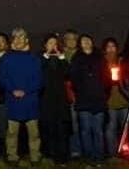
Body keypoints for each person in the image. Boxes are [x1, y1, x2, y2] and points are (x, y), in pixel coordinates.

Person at [0, 27, 42, 166]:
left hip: (30, 100)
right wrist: (12, 90)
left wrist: (26, 91)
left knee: (33, 133)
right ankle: (12, 157)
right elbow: (2, 78)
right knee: (12, 133)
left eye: (21, 37)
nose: (18, 40)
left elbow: (39, 80)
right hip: (13, 100)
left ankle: (35, 157)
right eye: (15, 38)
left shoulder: (34, 59)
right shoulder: (7, 58)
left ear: (26, 40)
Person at [69, 34, 108, 162]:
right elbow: (73, 78)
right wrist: (80, 90)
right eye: (83, 41)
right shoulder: (76, 58)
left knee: (98, 130)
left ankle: (99, 157)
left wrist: (104, 92)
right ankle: (88, 157)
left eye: (88, 40)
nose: (86, 42)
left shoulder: (100, 57)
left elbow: (107, 77)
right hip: (83, 99)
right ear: (80, 44)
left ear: (92, 42)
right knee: (85, 130)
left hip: (99, 98)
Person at [40, 33, 71, 166]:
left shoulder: (61, 59)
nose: (53, 45)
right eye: (50, 43)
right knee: (48, 128)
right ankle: (49, 154)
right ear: (45, 45)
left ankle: (62, 157)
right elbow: (38, 71)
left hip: (61, 100)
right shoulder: (40, 58)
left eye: (55, 43)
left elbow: (68, 73)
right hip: (46, 99)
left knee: (61, 129)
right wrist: (46, 55)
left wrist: (61, 57)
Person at [102, 37, 129, 156]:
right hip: (110, 101)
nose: (111, 49)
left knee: (125, 128)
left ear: (117, 48)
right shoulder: (101, 62)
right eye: (108, 46)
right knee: (111, 128)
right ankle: (112, 153)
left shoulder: (122, 61)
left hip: (124, 99)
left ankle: (126, 151)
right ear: (105, 49)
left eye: (113, 46)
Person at [62, 28, 81, 159]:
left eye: (73, 39)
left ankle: (80, 150)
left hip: (80, 94)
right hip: (63, 95)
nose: (71, 41)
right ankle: (72, 150)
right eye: (68, 38)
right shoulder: (59, 54)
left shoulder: (81, 54)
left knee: (81, 124)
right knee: (69, 124)